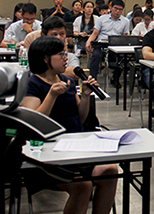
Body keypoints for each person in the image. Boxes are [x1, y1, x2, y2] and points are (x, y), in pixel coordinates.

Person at [23, 36, 117, 214]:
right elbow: (33, 124)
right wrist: (51, 96)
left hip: (76, 146)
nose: (66, 58)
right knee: (82, 185)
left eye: (65, 53)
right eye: (61, 54)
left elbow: (80, 118)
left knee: (110, 170)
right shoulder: (32, 84)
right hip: (48, 154)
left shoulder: (67, 81)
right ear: (45, 59)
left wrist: (85, 96)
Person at [86, 0, 130, 80]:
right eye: (115, 8)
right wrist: (88, 42)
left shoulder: (126, 21)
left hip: (116, 45)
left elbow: (124, 37)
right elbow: (95, 33)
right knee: (96, 56)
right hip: (101, 44)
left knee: (123, 58)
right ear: (111, 8)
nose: (117, 11)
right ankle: (92, 79)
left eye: (120, 9)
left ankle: (115, 79)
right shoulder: (102, 18)